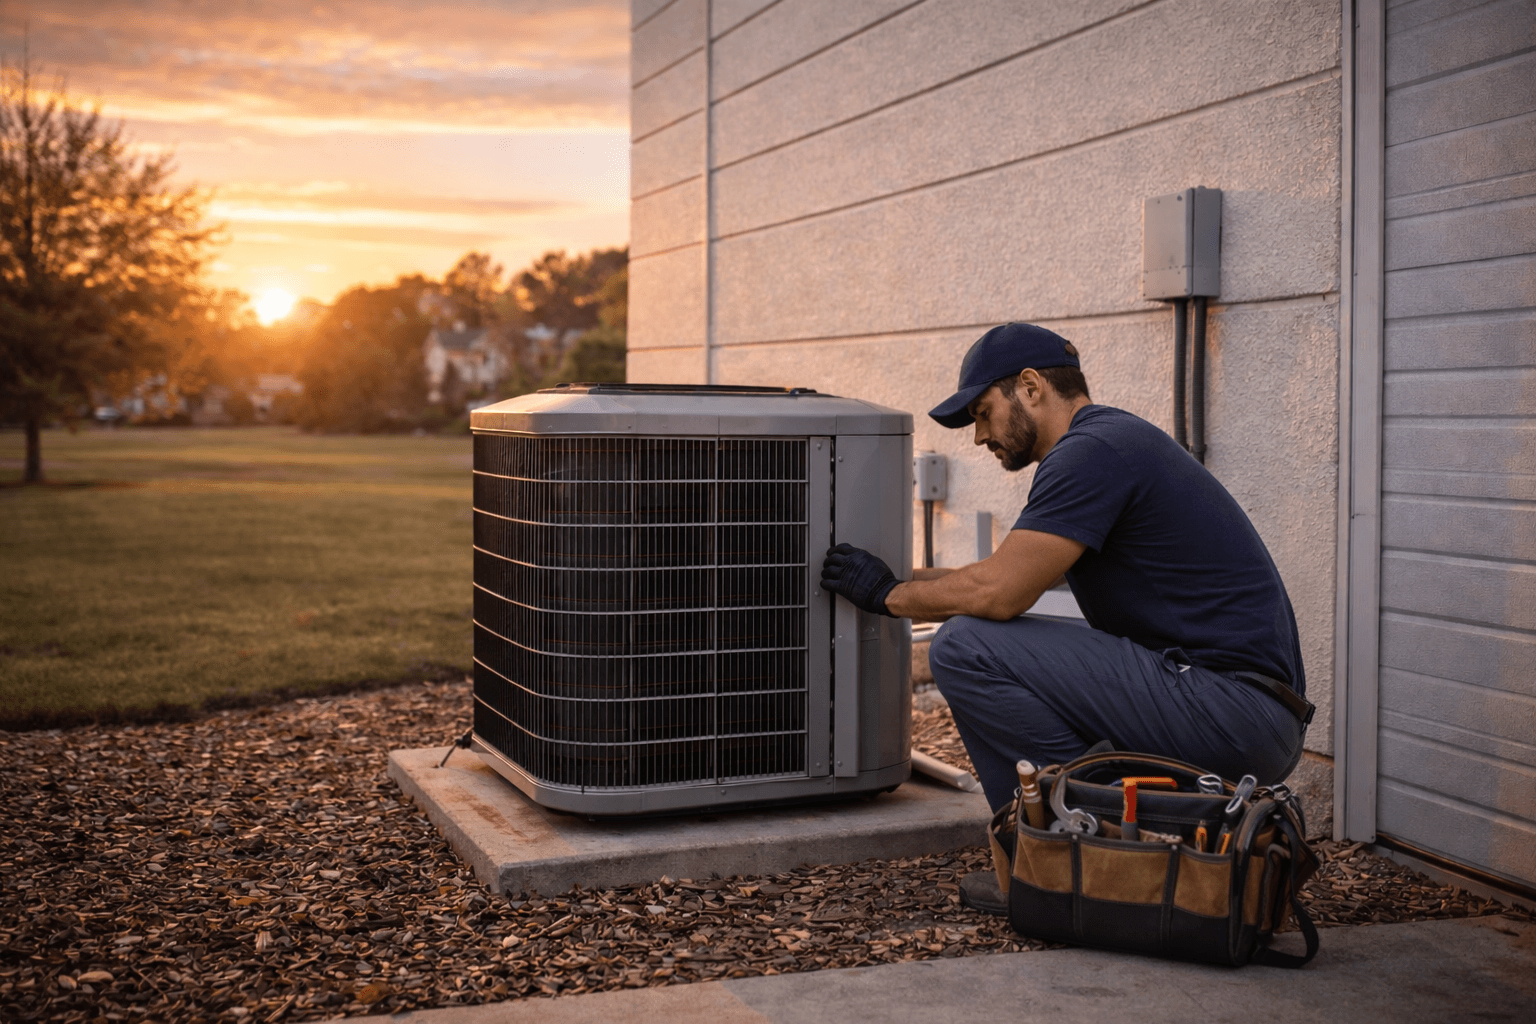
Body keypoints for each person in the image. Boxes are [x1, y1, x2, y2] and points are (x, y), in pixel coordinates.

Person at [820, 322, 1312, 915]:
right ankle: (1113, 847)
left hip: (1229, 708)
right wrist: (887, 577)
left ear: (1030, 387)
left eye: (981, 413)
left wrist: (890, 595)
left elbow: (1000, 593)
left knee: (964, 646)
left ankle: (1055, 864)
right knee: (987, 636)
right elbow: (1010, 571)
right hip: (1238, 710)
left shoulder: (1089, 454)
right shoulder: (1111, 443)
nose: (978, 438)